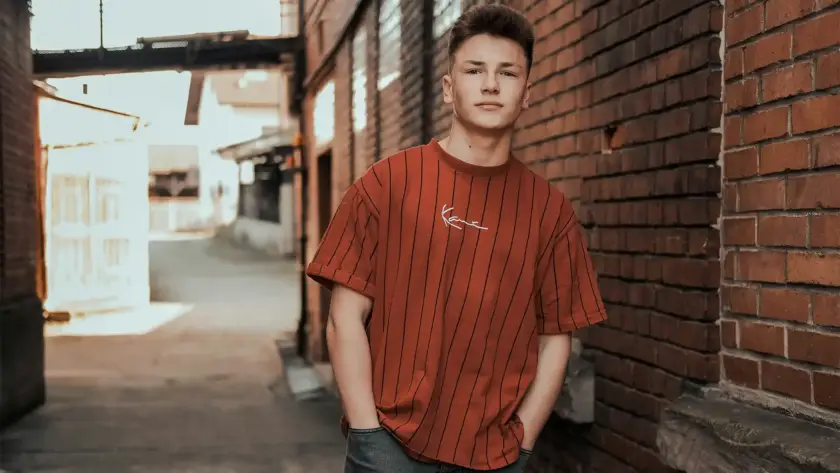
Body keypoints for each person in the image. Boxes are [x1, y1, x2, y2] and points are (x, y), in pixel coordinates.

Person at [305, 4, 607, 472]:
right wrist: (367, 434)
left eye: (508, 72)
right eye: (474, 70)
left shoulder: (550, 213)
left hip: (493, 458)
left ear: (526, 93)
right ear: (449, 88)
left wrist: (522, 443)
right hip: (388, 448)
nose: (491, 84)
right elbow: (344, 318)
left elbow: (556, 338)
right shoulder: (388, 184)